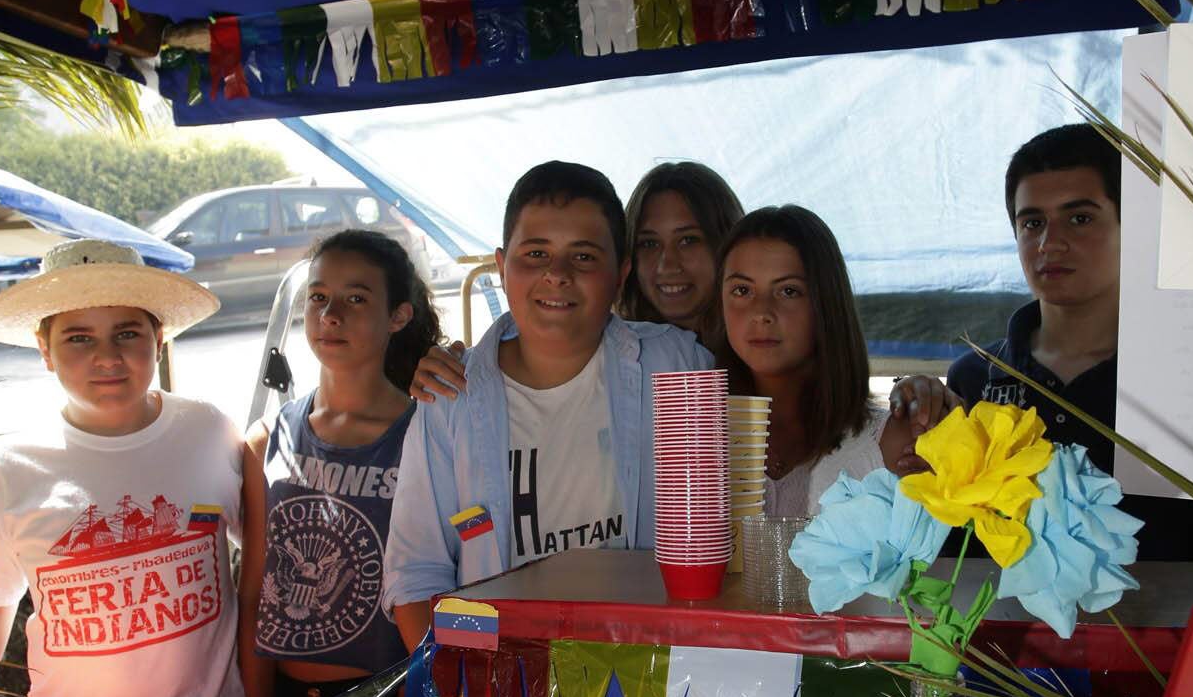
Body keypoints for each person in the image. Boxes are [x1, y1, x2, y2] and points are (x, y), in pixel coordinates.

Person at [383, 160, 712, 648]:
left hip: (651, 677)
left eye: (583, 257)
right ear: (500, 267)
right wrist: (481, 682)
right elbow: (419, 577)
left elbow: (719, 539)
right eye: (536, 254)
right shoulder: (449, 400)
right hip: (506, 688)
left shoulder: (676, 367)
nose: (556, 275)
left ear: (620, 273)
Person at [0, 239, 258, 697]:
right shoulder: (4, 467)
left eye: (127, 333)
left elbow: (266, 565)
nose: (107, 357)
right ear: (45, 350)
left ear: (158, 339)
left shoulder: (209, 430)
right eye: (79, 338)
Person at [945, 122, 1193, 561]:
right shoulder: (974, 378)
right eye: (1032, 222)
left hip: (1157, 623)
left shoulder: (1189, 380)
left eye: (1079, 218)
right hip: (993, 627)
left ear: (1134, 226)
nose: (1050, 244)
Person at [242, 229, 439, 697]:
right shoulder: (267, 440)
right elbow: (253, 596)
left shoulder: (426, 437)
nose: (331, 315)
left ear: (398, 315)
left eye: (356, 298)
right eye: (319, 297)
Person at [407, 158, 744, 404]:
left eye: (688, 240)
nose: (668, 263)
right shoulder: (607, 356)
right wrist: (451, 369)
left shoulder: (756, 355)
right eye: (649, 243)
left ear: (727, 243)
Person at [719, 206, 951, 514]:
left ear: (826, 302)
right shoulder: (692, 439)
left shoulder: (888, 442)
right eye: (742, 290)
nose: (762, 312)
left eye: (788, 291)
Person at [619, 161, 744, 340]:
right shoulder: (602, 354)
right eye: (649, 243)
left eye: (688, 240)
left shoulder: (775, 350)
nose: (666, 266)